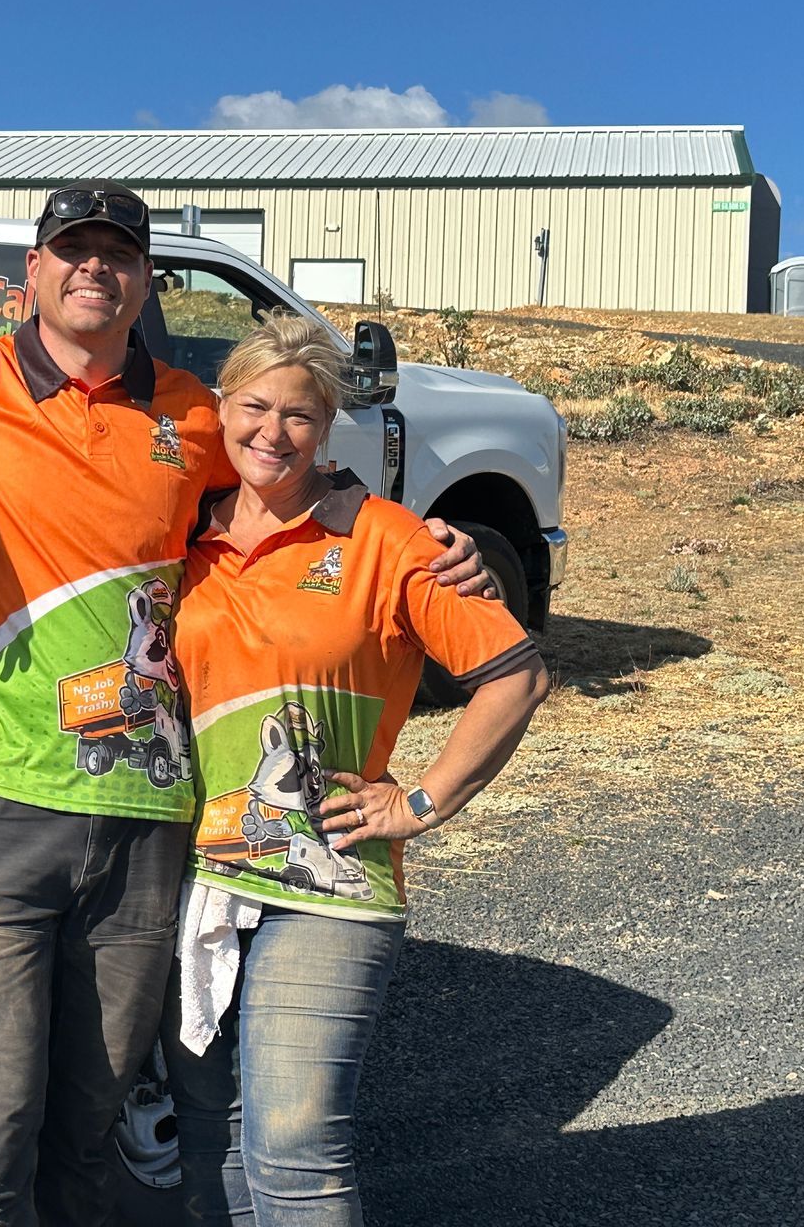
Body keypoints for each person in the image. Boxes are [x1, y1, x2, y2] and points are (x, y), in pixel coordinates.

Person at [0, 181, 490, 1226]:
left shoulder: (196, 413)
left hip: (146, 827)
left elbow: (301, 475)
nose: (95, 267)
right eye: (71, 249)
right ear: (29, 272)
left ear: (143, 280)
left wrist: (437, 550)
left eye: (118, 253)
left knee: (93, 1145)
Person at [163, 313, 549, 1226]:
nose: (272, 432)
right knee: (210, 1142)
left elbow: (517, 676)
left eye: (300, 415)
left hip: (325, 884)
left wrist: (419, 800)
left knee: (295, 1152)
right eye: (253, 406)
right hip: (193, 879)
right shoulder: (183, 534)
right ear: (220, 409)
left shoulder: (388, 539)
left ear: (328, 425)